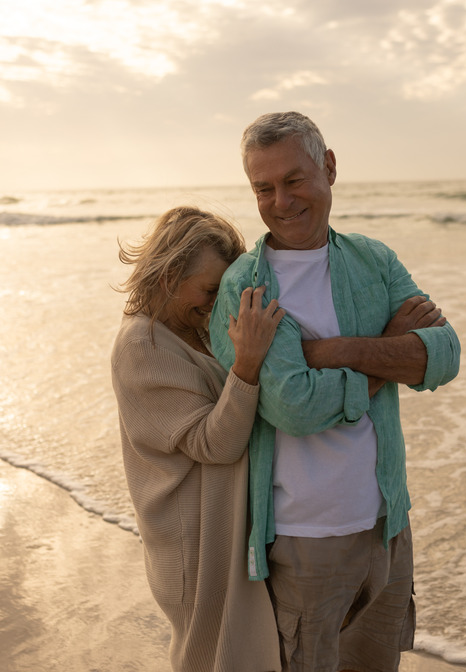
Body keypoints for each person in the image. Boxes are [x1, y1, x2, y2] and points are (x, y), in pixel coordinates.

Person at [208, 112, 461, 672]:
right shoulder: (246, 286)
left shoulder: (375, 260)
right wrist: (388, 351)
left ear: (328, 167)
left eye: (294, 180)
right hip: (304, 540)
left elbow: (444, 356)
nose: (281, 201)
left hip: (387, 525)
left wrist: (331, 350)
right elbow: (295, 407)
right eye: (263, 188)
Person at [111, 206, 285, 672]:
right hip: (192, 542)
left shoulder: (188, 327)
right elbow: (215, 444)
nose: (215, 303)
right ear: (169, 275)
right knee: (210, 658)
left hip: (216, 527)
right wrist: (247, 362)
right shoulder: (142, 346)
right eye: (209, 290)